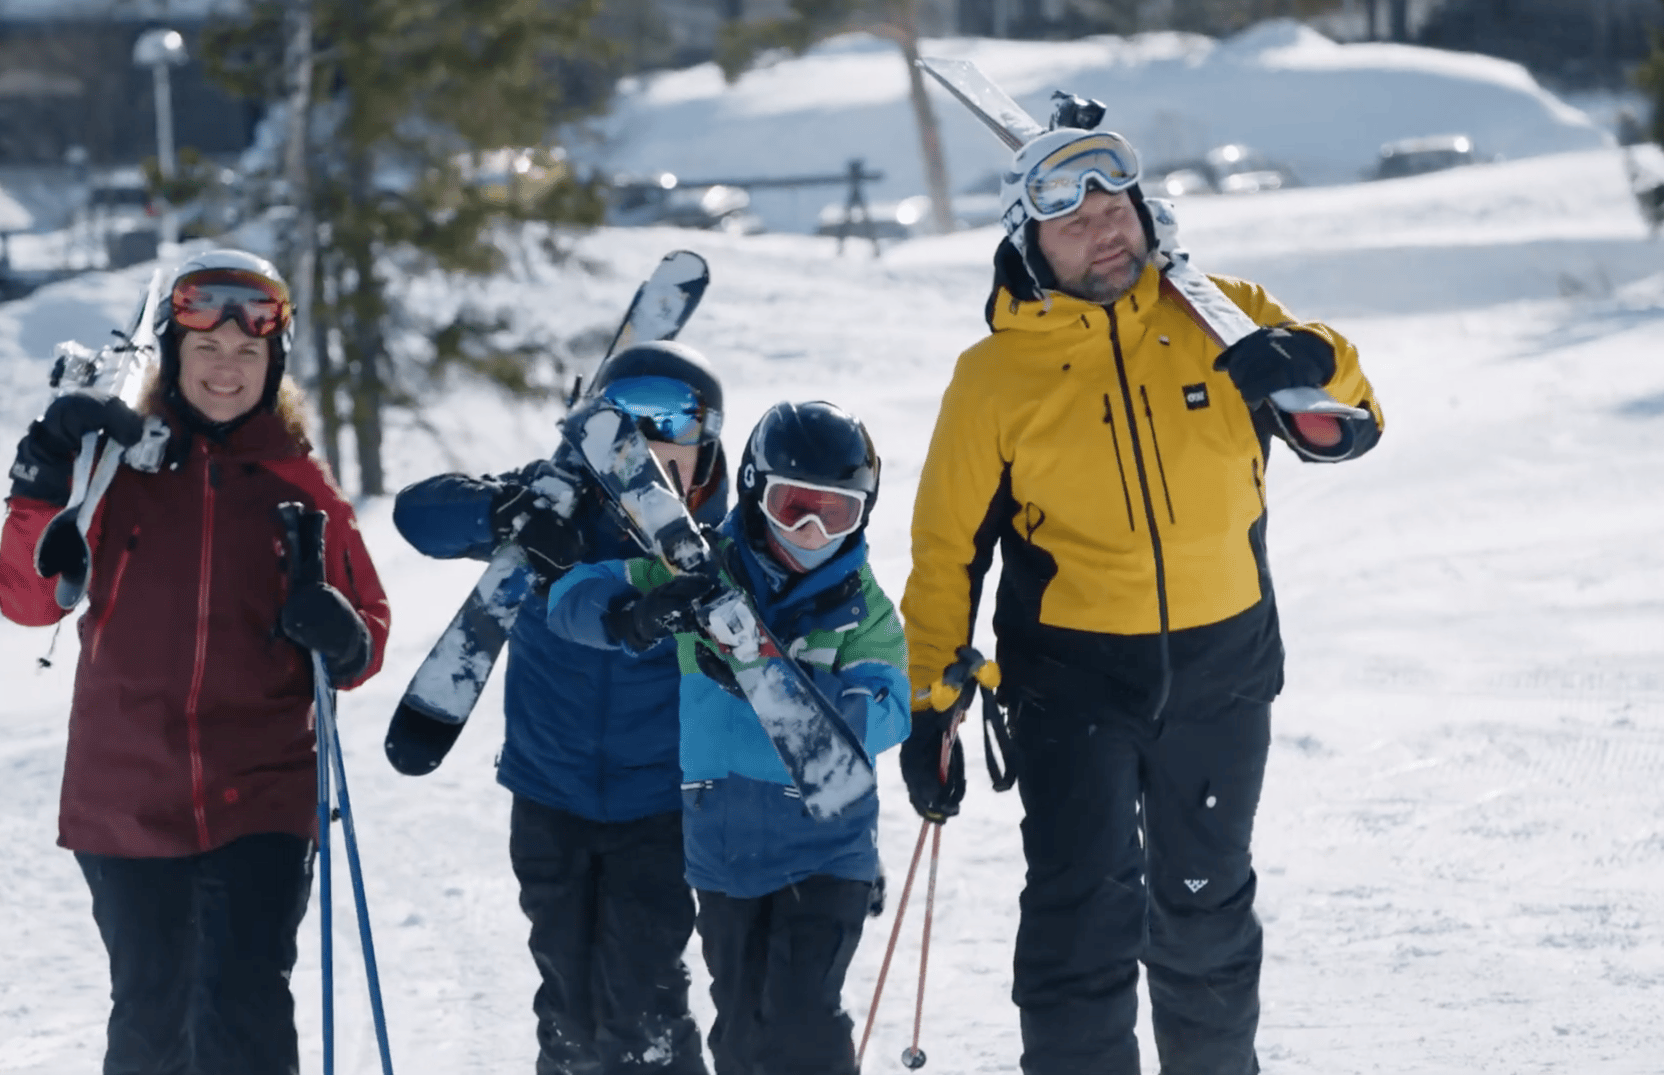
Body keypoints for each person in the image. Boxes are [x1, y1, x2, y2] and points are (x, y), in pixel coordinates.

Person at [897, 122, 1384, 1075]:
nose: (1103, 232)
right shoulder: (993, 378)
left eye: (1114, 211)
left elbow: (1352, 422)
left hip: (1223, 667)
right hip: (1070, 679)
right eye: (1074, 223)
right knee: (1082, 911)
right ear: (1029, 240)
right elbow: (946, 549)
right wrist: (930, 702)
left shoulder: (1224, 314)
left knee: (1206, 904)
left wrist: (1312, 360)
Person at [0, 250, 392, 1075]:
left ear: (272, 363)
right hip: (129, 793)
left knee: (245, 1007)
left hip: (263, 792)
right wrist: (40, 482)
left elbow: (369, 628)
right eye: (208, 348)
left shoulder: (296, 477)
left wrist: (343, 632)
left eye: (249, 353)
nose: (226, 368)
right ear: (173, 354)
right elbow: (32, 600)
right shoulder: (115, 469)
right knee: (154, 1011)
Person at [391, 340, 727, 1075]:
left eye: (677, 423)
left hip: (660, 809)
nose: (649, 445)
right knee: (570, 1010)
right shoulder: (550, 517)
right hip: (550, 802)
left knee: (643, 1008)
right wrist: (502, 509)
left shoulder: (722, 554)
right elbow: (416, 515)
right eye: (628, 420)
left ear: (708, 450)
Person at [545, 400, 910, 1075]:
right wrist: (636, 615)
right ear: (751, 490)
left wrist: (775, 676)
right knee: (741, 1039)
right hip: (723, 855)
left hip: (826, 853)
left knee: (802, 1022)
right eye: (793, 504)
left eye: (835, 513)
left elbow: (887, 711)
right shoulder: (701, 575)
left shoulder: (864, 609)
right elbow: (568, 599)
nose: (810, 530)